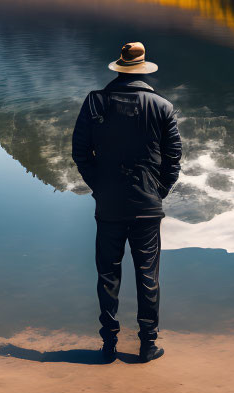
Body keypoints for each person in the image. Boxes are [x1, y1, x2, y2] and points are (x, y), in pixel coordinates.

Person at [71, 41, 182, 364]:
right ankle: (148, 343)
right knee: (148, 274)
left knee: (108, 273)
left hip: (109, 205)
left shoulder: (95, 102)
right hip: (148, 204)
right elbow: (173, 158)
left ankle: (108, 345)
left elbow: (81, 153)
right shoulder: (162, 106)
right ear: (144, 69)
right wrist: (159, 190)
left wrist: (100, 186)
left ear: (119, 67)